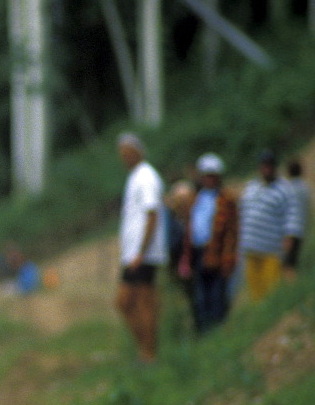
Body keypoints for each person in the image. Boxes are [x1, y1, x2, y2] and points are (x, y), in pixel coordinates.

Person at [115, 132, 167, 364]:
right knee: (126, 302)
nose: (125, 158)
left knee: (141, 301)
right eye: (122, 155)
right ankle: (144, 350)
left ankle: (149, 352)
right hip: (134, 254)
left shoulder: (146, 177)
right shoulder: (135, 177)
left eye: (128, 153)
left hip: (143, 254)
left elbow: (152, 214)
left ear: (138, 152)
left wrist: (141, 251)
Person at [178, 153, 238, 333]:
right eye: (206, 176)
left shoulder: (226, 199)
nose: (209, 179)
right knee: (201, 297)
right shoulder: (197, 198)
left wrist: (228, 255)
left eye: (212, 176)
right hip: (198, 252)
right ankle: (204, 331)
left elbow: (231, 231)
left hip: (216, 252)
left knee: (216, 294)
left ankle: (218, 329)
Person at [238, 150, 302, 302]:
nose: (266, 169)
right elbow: (243, 212)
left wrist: (289, 238)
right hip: (250, 249)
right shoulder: (251, 186)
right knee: (255, 295)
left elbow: (292, 216)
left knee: (271, 293)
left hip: (271, 250)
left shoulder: (285, 189)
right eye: (263, 165)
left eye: (269, 165)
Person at [283, 159, 310, 281]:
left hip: (289, 229)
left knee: (288, 263)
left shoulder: (287, 188)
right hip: (300, 228)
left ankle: (290, 286)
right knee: (293, 259)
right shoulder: (305, 188)